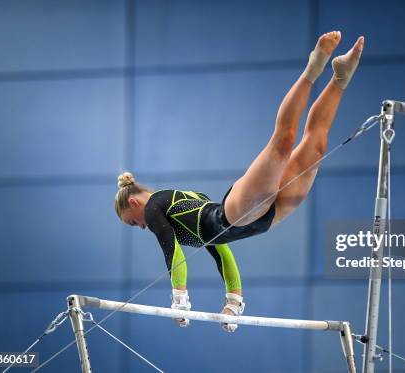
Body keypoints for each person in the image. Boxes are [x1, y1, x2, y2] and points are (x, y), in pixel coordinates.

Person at [114, 31, 364, 332]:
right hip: (263, 221)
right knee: (317, 146)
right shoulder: (177, 207)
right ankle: (340, 79)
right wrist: (233, 300)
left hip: (236, 212)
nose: (140, 227)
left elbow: (172, 251)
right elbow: (221, 249)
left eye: (133, 222)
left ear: (134, 202)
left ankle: (314, 67)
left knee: (283, 142)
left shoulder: (155, 207)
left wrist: (179, 298)